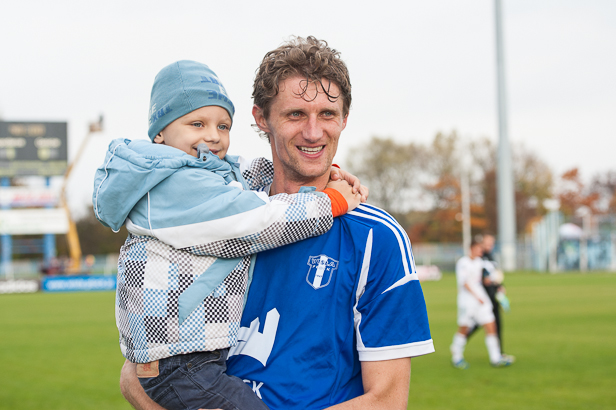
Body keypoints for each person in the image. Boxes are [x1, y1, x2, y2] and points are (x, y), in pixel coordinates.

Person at [120, 36, 434, 410]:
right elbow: (138, 374)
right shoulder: (217, 215)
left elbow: (386, 401)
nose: (314, 133)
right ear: (261, 119)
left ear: (345, 119)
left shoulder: (377, 238)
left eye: (328, 114)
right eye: (295, 114)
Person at [93, 60, 364, 410]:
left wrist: (325, 172)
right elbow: (256, 219)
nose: (213, 136)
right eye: (197, 123)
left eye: (223, 125)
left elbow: (244, 180)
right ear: (160, 133)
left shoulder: (190, 177)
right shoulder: (174, 187)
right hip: (181, 361)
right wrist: (330, 201)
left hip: (188, 357)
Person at [450, 238, 513, 369]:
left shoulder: (480, 262)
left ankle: (495, 358)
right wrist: (476, 296)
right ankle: (456, 355)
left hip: (482, 300)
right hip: (467, 301)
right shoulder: (463, 263)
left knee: (491, 325)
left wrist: (497, 284)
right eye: (479, 248)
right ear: (472, 248)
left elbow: (485, 279)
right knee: (464, 328)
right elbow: (465, 283)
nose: (481, 251)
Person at [465, 234, 512, 355]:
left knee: (496, 324)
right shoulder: (478, 259)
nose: (489, 246)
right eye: (487, 244)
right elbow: (478, 278)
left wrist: (500, 286)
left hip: (493, 296)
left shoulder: (491, 257)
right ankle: (459, 343)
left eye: (492, 243)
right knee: (480, 324)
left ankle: (498, 353)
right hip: (484, 298)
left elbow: (495, 275)